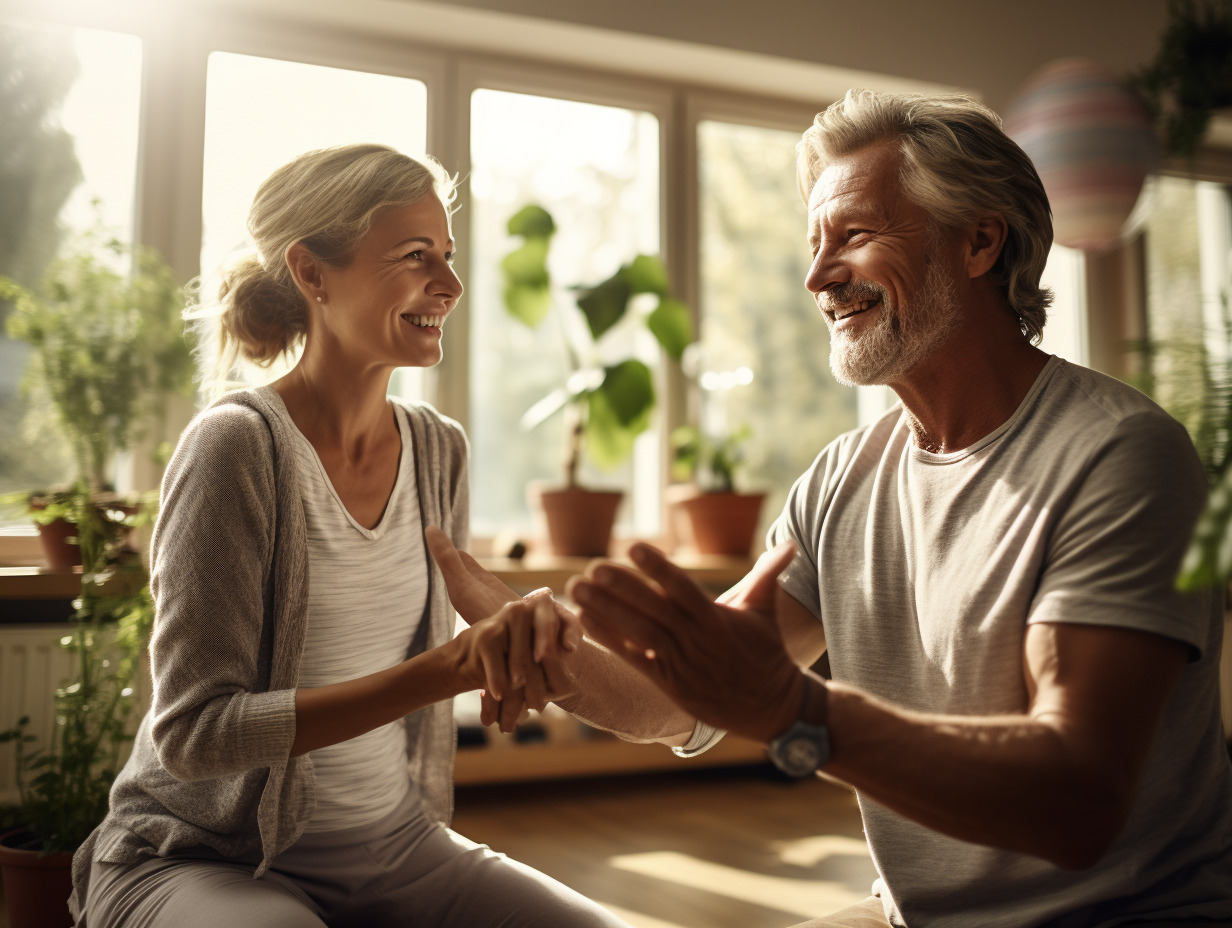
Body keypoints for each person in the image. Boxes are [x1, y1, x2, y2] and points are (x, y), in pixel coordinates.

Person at [428, 91, 1232, 927]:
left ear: (979, 241)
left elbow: (1077, 799)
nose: (817, 277)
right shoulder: (845, 476)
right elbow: (679, 701)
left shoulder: (1120, 457)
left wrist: (795, 711)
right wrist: (533, 635)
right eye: (813, 246)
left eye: (852, 235)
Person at [68, 143, 632, 928]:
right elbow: (195, 735)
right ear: (312, 273)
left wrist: (515, 645)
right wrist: (445, 672)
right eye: (413, 256)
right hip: (207, 858)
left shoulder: (440, 450)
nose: (451, 285)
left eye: (448, 255)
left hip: (398, 845)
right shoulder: (237, 445)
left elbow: (458, 649)